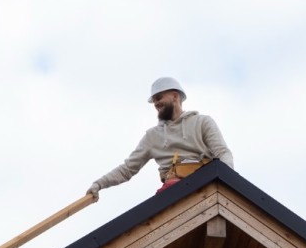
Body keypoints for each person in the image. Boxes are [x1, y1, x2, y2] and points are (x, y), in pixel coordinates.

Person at [87, 77, 234, 199]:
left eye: (159, 98)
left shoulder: (202, 122)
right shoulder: (153, 137)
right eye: (154, 101)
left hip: (205, 185)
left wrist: (227, 183)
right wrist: (99, 184)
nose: (156, 104)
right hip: (172, 192)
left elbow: (222, 153)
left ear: (175, 96)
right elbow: (127, 169)